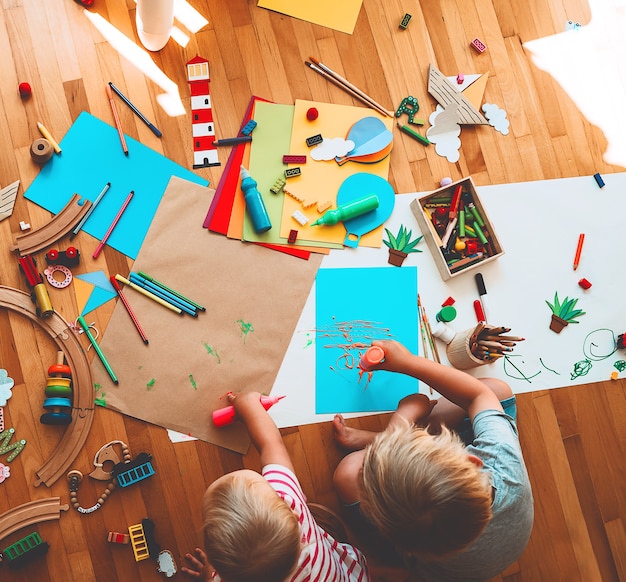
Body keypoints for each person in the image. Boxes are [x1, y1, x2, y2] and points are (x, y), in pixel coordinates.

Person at [332, 339, 534, 582]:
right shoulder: (502, 459)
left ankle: (385, 439)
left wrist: (403, 419)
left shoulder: (409, 539)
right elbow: (478, 395)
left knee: (347, 473)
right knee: (497, 390)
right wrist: (408, 363)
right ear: (473, 462)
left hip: (450, 568)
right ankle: (386, 441)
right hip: (500, 548)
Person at [181, 391, 371, 582]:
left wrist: (208, 575)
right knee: (318, 511)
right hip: (351, 574)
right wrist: (248, 404)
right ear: (294, 518)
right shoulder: (291, 504)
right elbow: (271, 444)